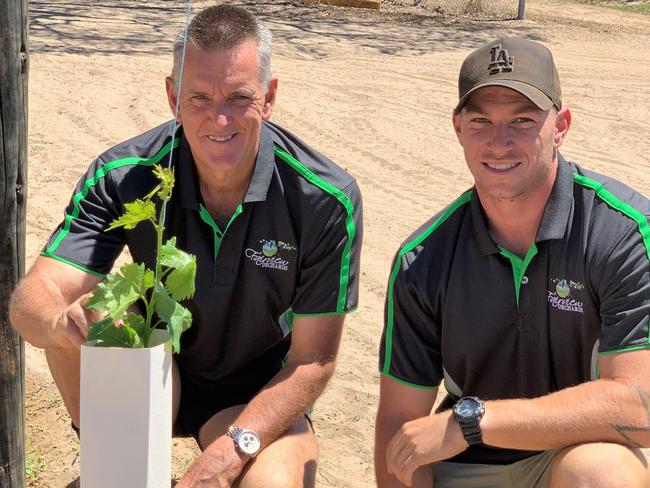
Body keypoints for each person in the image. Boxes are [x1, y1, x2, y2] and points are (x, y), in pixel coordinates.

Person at [10, 5, 362, 487]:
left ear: (270, 96)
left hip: (254, 392)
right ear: (173, 97)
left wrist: (226, 457)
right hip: (149, 368)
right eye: (198, 97)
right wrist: (60, 321)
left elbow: (314, 361)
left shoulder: (324, 198)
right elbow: (34, 298)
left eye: (239, 97)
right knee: (82, 317)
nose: (219, 119)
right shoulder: (125, 174)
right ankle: (115, 462)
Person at [375, 37, 650, 488]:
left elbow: (641, 407)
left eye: (522, 121)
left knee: (603, 473)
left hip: (575, 451)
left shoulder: (623, 232)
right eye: (481, 121)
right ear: (458, 127)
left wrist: (474, 421)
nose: (499, 143)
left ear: (560, 126)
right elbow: (398, 421)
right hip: (468, 466)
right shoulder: (421, 259)